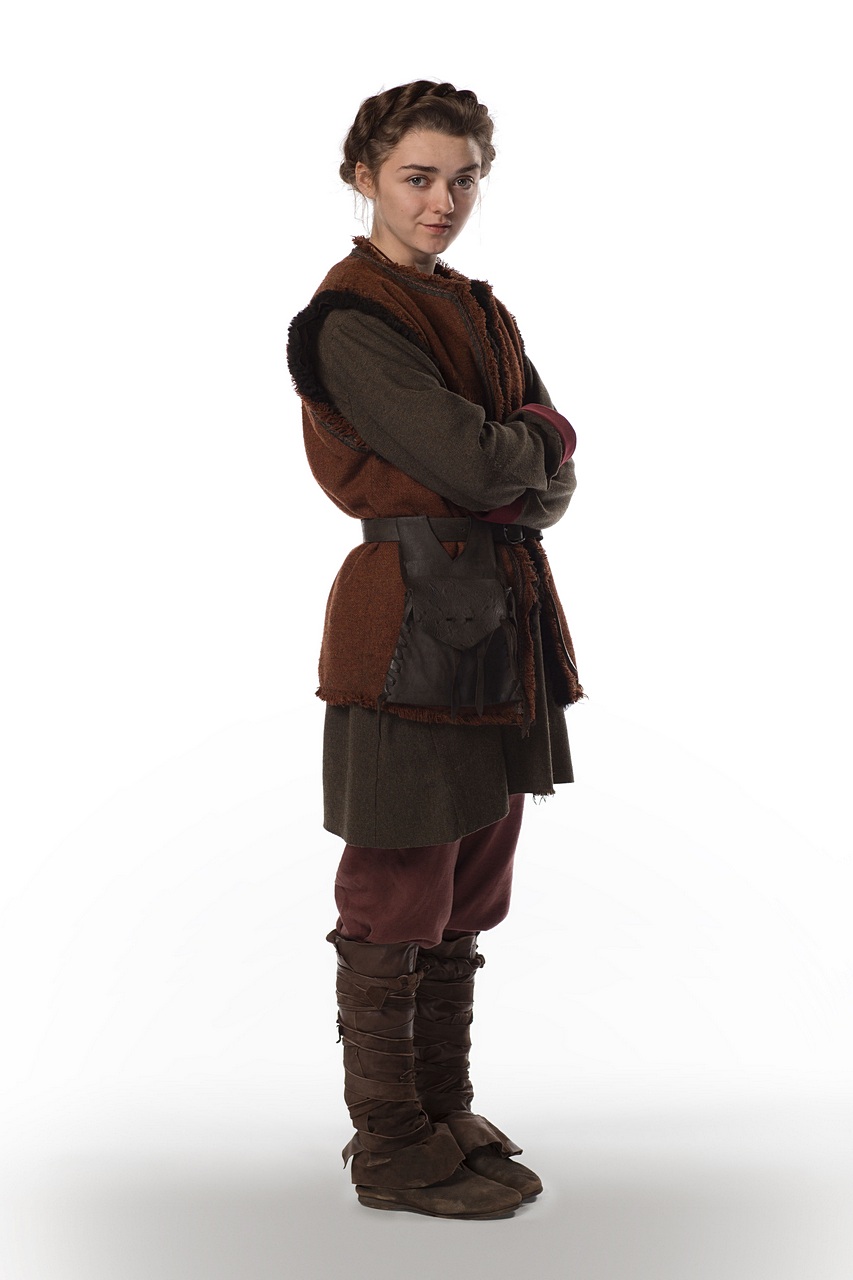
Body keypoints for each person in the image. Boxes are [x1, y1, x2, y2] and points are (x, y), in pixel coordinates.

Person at [287, 80, 583, 1220]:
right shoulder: (350, 318)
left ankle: (441, 1106)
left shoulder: (477, 307)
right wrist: (529, 446)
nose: (442, 202)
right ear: (363, 176)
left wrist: (523, 454)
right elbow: (485, 462)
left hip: (502, 614)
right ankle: (389, 1141)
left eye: (463, 179)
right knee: (399, 874)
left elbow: (546, 482)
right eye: (417, 177)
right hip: (404, 617)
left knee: (469, 875)